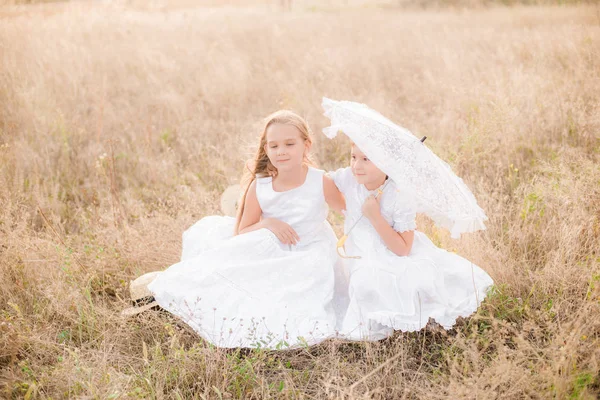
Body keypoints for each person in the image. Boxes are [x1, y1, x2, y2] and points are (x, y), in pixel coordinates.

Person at [147, 110, 346, 349]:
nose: (281, 151)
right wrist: (268, 223)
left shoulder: (320, 181)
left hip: (310, 248)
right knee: (230, 268)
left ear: (306, 145)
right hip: (270, 242)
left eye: (289, 144)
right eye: (273, 146)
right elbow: (243, 230)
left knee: (298, 292)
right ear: (266, 149)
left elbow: (347, 211)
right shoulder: (261, 186)